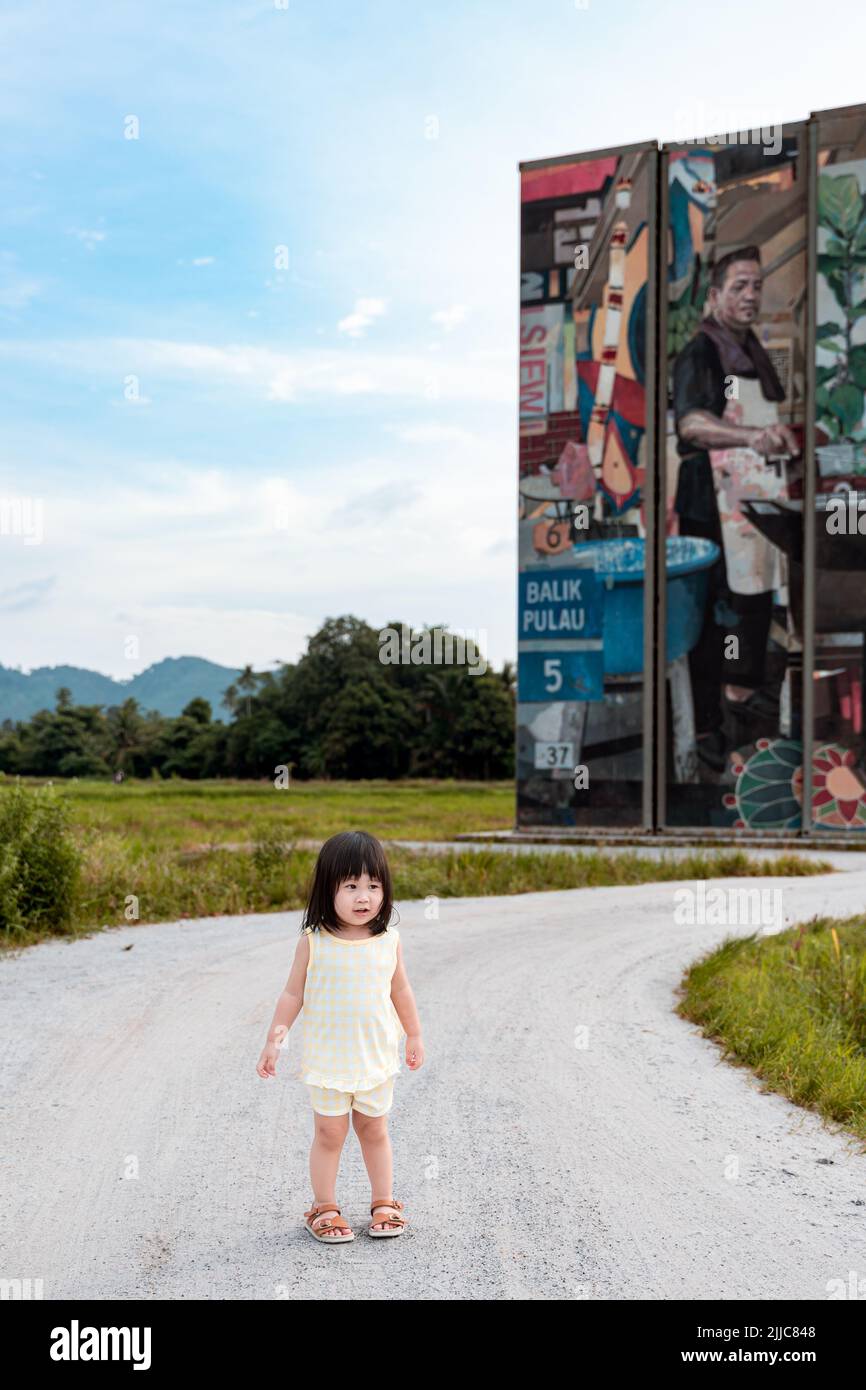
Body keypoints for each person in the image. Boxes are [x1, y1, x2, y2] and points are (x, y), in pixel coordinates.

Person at [256, 830, 424, 1242]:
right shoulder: (314, 942)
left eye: (373, 885)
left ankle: (384, 1201)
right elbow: (292, 993)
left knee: (374, 1129)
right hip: (328, 1063)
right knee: (330, 1133)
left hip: (375, 1059)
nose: (363, 896)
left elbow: (400, 990)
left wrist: (414, 1035)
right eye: (350, 886)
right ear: (327, 888)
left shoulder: (388, 941)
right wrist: (274, 1040)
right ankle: (324, 1206)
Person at [672, 245, 800, 771]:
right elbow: (692, 425)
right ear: (715, 295)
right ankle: (715, 739)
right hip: (713, 505)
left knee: (752, 617)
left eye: (757, 286)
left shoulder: (754, 353)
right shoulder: (701, 352)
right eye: (740, 286)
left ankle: (746, 733)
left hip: (754, 506)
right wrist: (753, 436)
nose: (751, 295)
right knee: (721, 622)